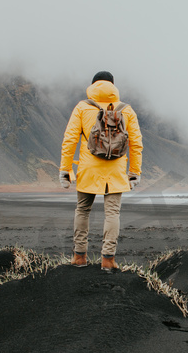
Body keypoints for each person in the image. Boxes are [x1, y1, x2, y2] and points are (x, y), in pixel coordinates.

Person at [59, 71, 143, 271]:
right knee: (112, 213)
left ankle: (79, 257)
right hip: (115, 171)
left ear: (93, 85)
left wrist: (65, 170)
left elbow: (70, 140)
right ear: (113, 86)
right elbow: (136, 144)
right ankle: (107, 260)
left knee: (82, 210)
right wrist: (134, 172)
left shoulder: (82, 107)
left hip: (88, 170)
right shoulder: (127, 110)